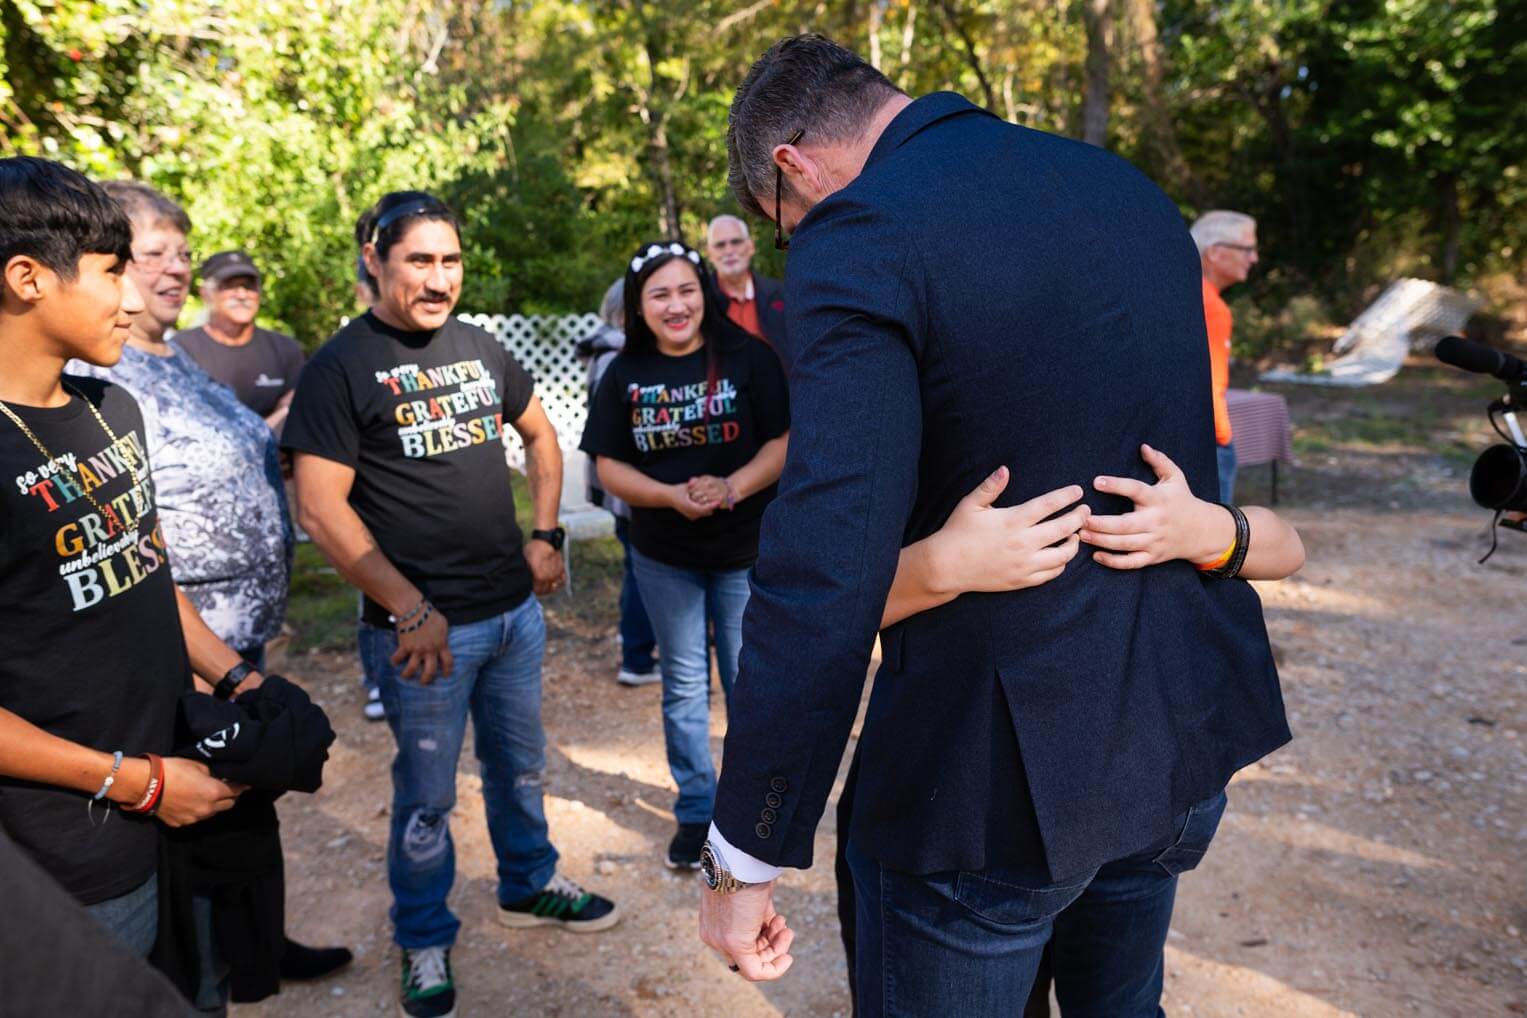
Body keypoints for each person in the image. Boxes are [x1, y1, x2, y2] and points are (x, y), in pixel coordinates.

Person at [697, 36, 1291, 1015]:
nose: (797, 241)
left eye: (783, 224)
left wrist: (744, 853)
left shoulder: (866, 229)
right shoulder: (1124, 188)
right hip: (1175, 734)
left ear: (790, 165)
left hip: (989, 782)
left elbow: (824, 562)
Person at [283, 190, 620, 1018]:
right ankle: (424, 932)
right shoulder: (340, 367)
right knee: (429, 796)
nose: (439, 280)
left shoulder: (478, 347)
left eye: (451, 261)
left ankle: (528, 883)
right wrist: (406, 607)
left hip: (512, 615)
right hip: (423, 636)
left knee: (519, 769)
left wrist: (546, 534)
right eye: (419, 261)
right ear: (375, 259)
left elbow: (541, 435)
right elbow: (320, 510)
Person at [79, 180, 350, 1005]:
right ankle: (210, 978)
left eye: (181, 252)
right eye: (151, 251)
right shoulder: (99, 366)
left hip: (231, 637)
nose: (172, 267)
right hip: (175, 641)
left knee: (243, 823)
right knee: (198, 837)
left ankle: (256, 944)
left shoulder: (181, 361)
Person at [0, 155, 257, 959]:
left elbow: (145, 574)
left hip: (179, 800)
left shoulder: (115, 409)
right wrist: (135, 782)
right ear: (28, 277)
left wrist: (238, 678)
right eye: (114, 272)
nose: (135, 296)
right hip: (68, 854)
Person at [580, 241, 790, 871]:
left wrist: (732, 488)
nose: (677, 305)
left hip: (741, 551)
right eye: (660, 295)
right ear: (639, 308)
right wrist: (671, 496)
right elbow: (609, 466)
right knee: (683, 686)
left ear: (706, 292)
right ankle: (696, 812)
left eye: (686, 290)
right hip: (663, 555)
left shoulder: (748, 357)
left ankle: (746, 816)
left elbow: (784, 441)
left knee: (746, 681)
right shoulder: (624, 374)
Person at [573, 277, 659, 687]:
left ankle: (640, 651)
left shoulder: (606, 352)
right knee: (640, 571)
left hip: (624, 488)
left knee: (637, 568)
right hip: (628, 488)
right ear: (625, 313)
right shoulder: (615, 358)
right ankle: (637, 658)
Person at [173, 251, 306, 433]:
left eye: (249, 286)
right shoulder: (182, 349)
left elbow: (296, 411)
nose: (242, 294)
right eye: (230, 286)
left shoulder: (285, 349)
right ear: (206, 294)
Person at [1190, 210, 1259, 503]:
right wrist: (1222, 437)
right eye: (1247, 249)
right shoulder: (1212, 307)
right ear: (1215, 253)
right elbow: (1209, 384)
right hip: (1209, 439)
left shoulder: (1182, 293)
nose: (1254, 258)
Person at [705, 215, 786, 347]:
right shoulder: (701, 300)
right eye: (720, 245)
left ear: (751, 246)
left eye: (736, 242)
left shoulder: (780, 293)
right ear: (709, 254)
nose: (729, 251)